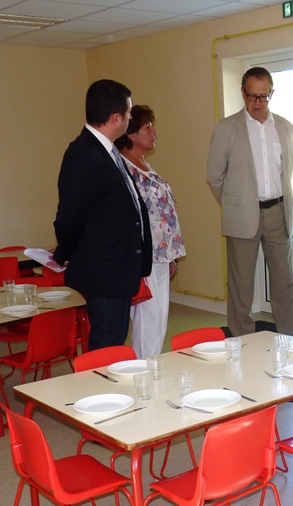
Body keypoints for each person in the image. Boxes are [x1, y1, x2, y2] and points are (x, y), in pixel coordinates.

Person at [53, 79, 152, 351]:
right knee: (107, 344)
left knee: (115, 339)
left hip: (117, 268)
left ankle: (110, 392)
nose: (131, 118)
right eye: (129, 113)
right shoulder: (83, 154)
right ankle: (99, 393)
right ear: (115, 117)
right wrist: (66, 252)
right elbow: (70, 217)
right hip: (103, 269)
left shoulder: (107, 149)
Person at [206, 66, 293, 338]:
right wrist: (235, 203)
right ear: (242, 93)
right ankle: (242, 344)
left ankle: (292, 340)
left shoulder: (285, 127)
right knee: (241, 287)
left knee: (285, 283)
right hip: (242, 216)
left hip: (278, 213)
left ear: (271, 93)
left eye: (263, 96)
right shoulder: (226, 128)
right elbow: (214, 177)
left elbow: (287, 171)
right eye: (252, 96)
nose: (257, 103)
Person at [115, 105, 186, 359]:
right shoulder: (122, 167)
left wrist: (171, 256)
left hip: (160, 255)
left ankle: (153, 369)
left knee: (159, 320)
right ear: (132, 134)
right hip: (142, 258)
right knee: (148, 320)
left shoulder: (145, 165)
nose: (154, 132)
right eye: (148, 127)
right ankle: (142, 375)